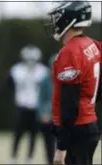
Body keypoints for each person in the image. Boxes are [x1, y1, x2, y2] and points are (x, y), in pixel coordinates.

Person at [45, 1, 101, 165]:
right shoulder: (91, 44)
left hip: (77, 129)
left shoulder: (70, 52)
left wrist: (61, 146)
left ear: (68, 20)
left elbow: (69, 103)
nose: (55, 22)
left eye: (57, 18)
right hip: (89, 124)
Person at [7, 45, 48, 164]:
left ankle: (29, 158)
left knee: (33, 134)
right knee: (18, 133)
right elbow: (10, 85)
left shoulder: (43, 71)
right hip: (22, 105)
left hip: (36, 107)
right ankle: (13, 157)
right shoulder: (17, 69)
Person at [37, 54, 56, 165]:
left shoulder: (67, 80)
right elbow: (40, 99)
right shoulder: (45, 80)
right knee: (49, 145)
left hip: (62, 118)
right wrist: (42, 114)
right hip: (47, 118)